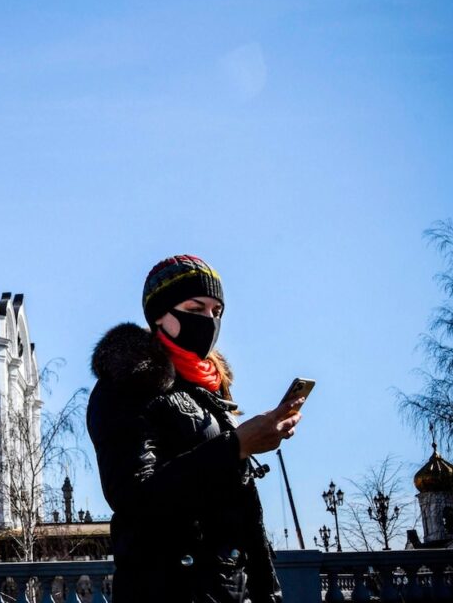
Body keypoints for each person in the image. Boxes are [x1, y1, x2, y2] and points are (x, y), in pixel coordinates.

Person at [87, 255, 302, 602]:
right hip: (166, 589)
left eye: (217, 312)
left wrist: (268, 590)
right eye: (196, 307)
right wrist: (237, 445)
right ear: (160, 315)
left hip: (232, 588)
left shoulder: (210, 390)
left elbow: (243, 507)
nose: (209, 321)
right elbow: (133, 496)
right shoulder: (125, 382)